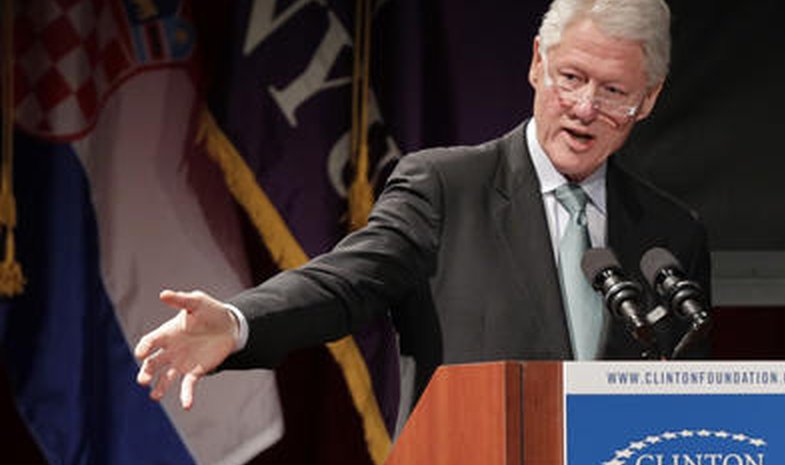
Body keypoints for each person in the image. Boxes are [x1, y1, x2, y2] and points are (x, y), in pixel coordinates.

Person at [135, 0, 711, 409]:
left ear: (649, 98)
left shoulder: (669, 233)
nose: (585, 108)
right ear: (537, 62)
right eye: (571, 77)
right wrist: (238, 323)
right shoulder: (446, 188)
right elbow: (346, 283)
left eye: (612, 91)